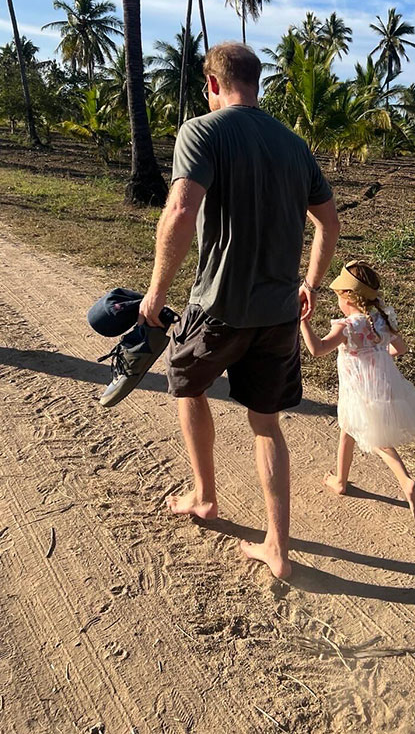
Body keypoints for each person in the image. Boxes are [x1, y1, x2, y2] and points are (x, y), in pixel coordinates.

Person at [138, 42, 340, 579]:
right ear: (258, 83)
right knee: (266, 424)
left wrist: (157, 292)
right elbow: (329, 223)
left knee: (187, 385)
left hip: (217, 308)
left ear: (211, 84)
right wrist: (311, 284)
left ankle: (205, 496)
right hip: (277, 313)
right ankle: (278, 547)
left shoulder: (201, 131)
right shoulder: (294, 145)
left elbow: (181, 209)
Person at [300, 260, 415, 518]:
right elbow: (399, 348)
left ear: (348, 297)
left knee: (374, 439)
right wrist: (380, 357)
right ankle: (340, 480)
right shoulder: (381, 318)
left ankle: (406, 480)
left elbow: (317, 349)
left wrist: (302, 322)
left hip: (358, 391)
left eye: (339, 295)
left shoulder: (348, 326)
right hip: (382, 385)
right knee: (348, 429)